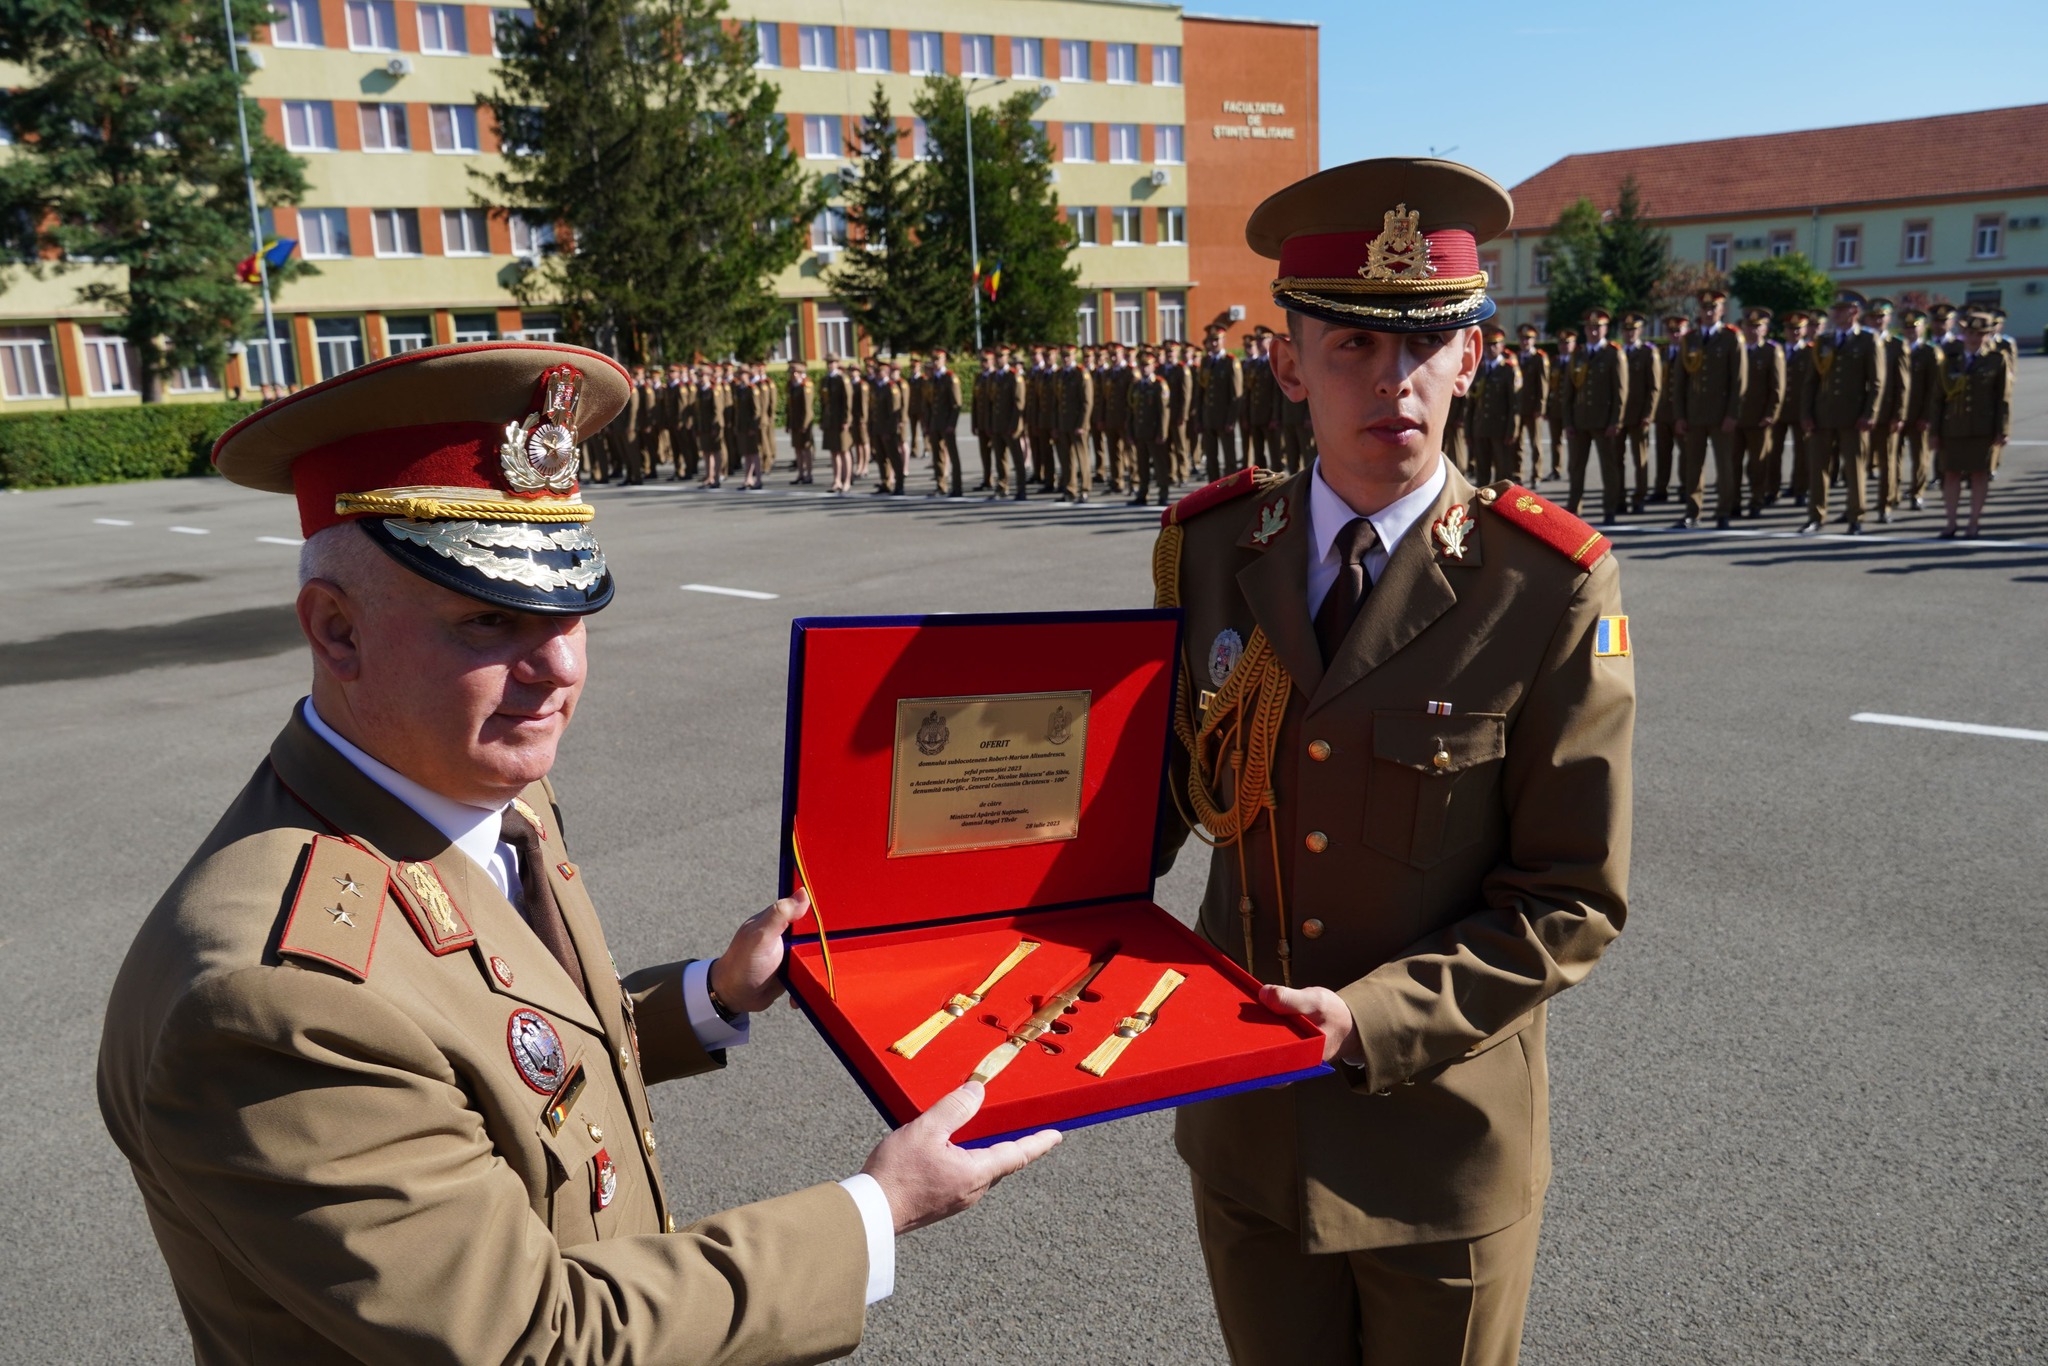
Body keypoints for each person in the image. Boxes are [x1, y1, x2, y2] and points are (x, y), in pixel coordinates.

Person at [96, 342, 1061, 1365]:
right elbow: (535, 1338)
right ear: (336, 631)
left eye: (571, 610)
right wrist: (877, 1211)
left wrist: (709, 995)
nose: (555, 666)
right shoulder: (274, 1000)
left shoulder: (473, 786)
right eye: (489, 619)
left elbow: (499, 1053)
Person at [1153, 159, 1634, 1366]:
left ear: (1471, 357)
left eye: (1425, 347)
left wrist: (1365, 1019)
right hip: (1249, 1135)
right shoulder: (1213, 548)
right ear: (1286, 360)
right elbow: (1146, 803)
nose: (1393, 381)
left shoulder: (1544, 585)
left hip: (1439, 1155)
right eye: (1352, 346)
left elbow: (1571, 897)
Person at [1800, 290, 1884, 535]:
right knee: (1819, 467)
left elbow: (1876, 382)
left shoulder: (1868, 340)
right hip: (1823, 413)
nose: (1836, 313)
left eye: (1841, 309)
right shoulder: (1824, 341)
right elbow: (1811, 381)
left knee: (1854, 467)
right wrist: (1806, 413)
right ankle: (1816, 516)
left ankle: (1855, 516)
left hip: (1853, 415)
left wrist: (1870, 413)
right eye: (1834, 309)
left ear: (1854, 312)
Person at [1926, 308, 2011, 538]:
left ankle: (1973, 522)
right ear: (1964, 333)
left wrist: (2002, 430)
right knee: (1950, 474)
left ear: (1988, 335)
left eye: (1980, 334)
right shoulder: (1949, 360)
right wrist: (1934, 431)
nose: (1975, 338)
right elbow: (1937, 399)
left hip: (1982, 429)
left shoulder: (1996, 360)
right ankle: (1951, 522)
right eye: (1971, 333)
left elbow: (2003, 398)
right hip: (1952, 427)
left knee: (1979, 475)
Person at [1674, 288, 1746, 531]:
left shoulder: (1731, 337)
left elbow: (1738, 381)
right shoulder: (1690, 339)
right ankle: (1692, 511)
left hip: (1721, 414)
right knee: (1693, 465)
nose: (1708, 312)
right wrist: (1681, 415)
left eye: (1713, 307)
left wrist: (1732, 414)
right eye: (1704, 308)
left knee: (1724, 465)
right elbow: (1680, 381)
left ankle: (1723, 510)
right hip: (1695, 414)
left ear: (1722, 310)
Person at [1563, 306, 1627, 522]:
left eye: (1598, 327)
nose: (1593, 331)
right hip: (1580, 420)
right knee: (1576, 468)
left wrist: (1615, 421)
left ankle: (1610, 508)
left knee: (1609, 467)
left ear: (1606, 328)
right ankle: (1574, 508)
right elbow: (1568, 391)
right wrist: (1568, 421)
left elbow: (1620, 392)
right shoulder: (1578, 354)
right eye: (1590, 327)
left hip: (1604, 421)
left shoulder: (1613, 353)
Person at [1864, 298, 1911, 522]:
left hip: (1886, 413)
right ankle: (1856, 505)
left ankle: (1885, 505)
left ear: (1888, 318)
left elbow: (1903, 385)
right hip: (1860, 413)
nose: (1878, 321)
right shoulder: (1860, 342)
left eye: (1882, 316)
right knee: (1858, 464)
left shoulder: (1896, 344)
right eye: (1874, 317)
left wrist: (1899, 415)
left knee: (1887, 462)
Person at [1736, 307, 1785, 520]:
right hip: (1735, 418)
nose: (1753, 330)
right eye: (1749, 326)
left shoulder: (1771, 351)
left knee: (1758, 465)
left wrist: (1771, 414)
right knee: (1732, 465)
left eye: (1758, 326)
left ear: (1765, 329)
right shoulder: (1737, 350)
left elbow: (1777, 387)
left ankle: (1756, 501)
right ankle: (1732, 503)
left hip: (1760, 418)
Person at [1466, 324, 1519, 486]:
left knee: (1502, 472)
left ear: (1502, 346)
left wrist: (1512, 430)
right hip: (1480, 428)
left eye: (1495, 344)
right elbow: (1472, 404)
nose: (1491, 348)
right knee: (1482, 471)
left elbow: (1514, 404)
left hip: (1500, 430)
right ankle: (1482, 508)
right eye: (1488, 344)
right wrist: (1469, 431)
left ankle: (1500, 508)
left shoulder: (1509, 370)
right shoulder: (1479, 369)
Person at [1619, 312, 1661, 514]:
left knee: (1640, 459)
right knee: (1616, 460)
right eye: (1626, 330)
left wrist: (1648, 414)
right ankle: (1618, 498)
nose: (1630, 334)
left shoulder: (1647, 352)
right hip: (1617, 417)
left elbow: (1654, 387)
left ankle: (1639, 497)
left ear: (1640, 331)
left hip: (1639, 415)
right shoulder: (1616, 352)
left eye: (1633, 330)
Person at [1900, 309, 1940, 511]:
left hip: (1918, 415)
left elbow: (1934, 388)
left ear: (1923, 328)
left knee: (1920, 458)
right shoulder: (1896, 349)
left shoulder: (1929, 352)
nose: (1911, 331)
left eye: (1915, 327)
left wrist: (1927, 415)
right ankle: (1891, 493)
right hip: (1896, 415)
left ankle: (1917, 493)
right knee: (1892, 459)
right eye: (1907, 327)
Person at [1773, 312, 1812, 507]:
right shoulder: (1776, 350)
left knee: (1802, 453)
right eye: (1790, 329)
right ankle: (1772, 489)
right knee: (1772, 452)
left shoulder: (1811, 351)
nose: (1794, 332)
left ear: (1805, 330)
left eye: (1798, 328)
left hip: (1801, 409)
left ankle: (1800, 489)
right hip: (1778, 410)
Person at [1649, 315, 1687, 503]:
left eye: (1678, 331)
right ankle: (1660, 488)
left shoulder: (1691, 352)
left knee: (1686, 454)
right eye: (1671, 331)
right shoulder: (1662, 353)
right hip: (1663, 411)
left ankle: (1685, 488)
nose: (1675, 335)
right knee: (1663, 453)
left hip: (1683, 413)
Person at [1128, 346, 1172, 506]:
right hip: (1140, 432)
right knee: (1142, 466)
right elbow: (1131, 411)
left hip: (1154, 433)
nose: (1144, 368)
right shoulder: (1136, 385)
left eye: (1147, 365)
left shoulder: (1159, 385)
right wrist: (1130, 432)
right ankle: (1142, 493)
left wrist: (1162, 432)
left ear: (1154, 366)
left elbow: (1164, 412)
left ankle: (1163, 493)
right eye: (1142, 365)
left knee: (1160, 466)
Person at [1200, 326, 1243, 480]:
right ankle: (1213, 489)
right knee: (1211, 458)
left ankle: (1230, 491)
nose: (1213, 343)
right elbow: (1201, 392)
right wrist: (1200, 418)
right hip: (1209, 418)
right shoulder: (1206, 361)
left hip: (1224, 418)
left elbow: (1236, 395)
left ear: (1223, 341)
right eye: (1211, 340)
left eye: (1217, 340)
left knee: (1229, 458)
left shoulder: (1230, 362)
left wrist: (1231, 420)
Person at [1054, 343, 1094, 503]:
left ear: (1074, 356)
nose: (1065, 359)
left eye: (1068, 356)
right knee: (1066, 459)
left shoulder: (1081, 373)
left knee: (1082, 457)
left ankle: (1084, 489)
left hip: (1078, 424)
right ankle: (1070, 489)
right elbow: (1056, 402)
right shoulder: (1059, 374)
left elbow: (1087, 401)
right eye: (1063, 356)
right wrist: (1056, 424)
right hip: (1064, 423)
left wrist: (1082, 424)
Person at [1513, 323, 1550, 485]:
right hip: (1517, 408)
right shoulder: (1515, 358)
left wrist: (1540, 407)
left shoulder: (1539, 358)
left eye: (1528, 338)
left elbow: (1543, 384)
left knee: (1535, 443)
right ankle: (1517, 474)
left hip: (1532, 407)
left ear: (1534, 340)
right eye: (1522, 338)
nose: (1525, 342)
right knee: (1517, 443)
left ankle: (1537, 474)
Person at [926, 350, 964, 498]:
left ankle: (957, 487)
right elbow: (929, 403)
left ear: (944, 360)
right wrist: (929, 423)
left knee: (953, 456)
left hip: (947, 423)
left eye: (938, 359)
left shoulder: (950, 378)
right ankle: (941, 485)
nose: (935, 362)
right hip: (935, 423)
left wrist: (952, 424)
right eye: (933, 359)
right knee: (937, 456)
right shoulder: (933, 378)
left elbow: (956, 404)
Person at [1542, 327, 1574, 484]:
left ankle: (1573, 470)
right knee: (1556, 441)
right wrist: (1546, 408)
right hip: (1555, 408)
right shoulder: (1554, 361)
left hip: (1572, 409)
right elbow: (1549, 386)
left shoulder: (1578, 361)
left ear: (1574, 344)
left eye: (1567, 343)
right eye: (1561, 343)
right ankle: (1556, 469)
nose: (1564, 346)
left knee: (1574, 442)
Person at [821, 355, 852, 495]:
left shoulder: (842, 379)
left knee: (844, 450)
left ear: (838, 363)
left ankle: (847, 480)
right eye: (828, 362)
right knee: (833, 451)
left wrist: (846, 420)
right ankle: (837, 480)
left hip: (840, 420)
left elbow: (848, 401)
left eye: (832, 362)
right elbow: (823, 402)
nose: (830, 365)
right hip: (830, 420)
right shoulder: (825, 379)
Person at [786, 362, 815, 486]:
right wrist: (788, 423)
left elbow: (808, 408)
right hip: (795, 422)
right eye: (792, 373)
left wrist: (805, 424)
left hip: (804, 422)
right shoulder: (792, 386)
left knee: (806, 449)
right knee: (798, 449)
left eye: (795, 373)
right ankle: (800, 473)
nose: (793, 375)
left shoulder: (806, 385)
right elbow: (790, 407)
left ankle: (809, 474)